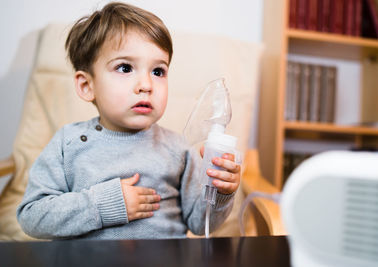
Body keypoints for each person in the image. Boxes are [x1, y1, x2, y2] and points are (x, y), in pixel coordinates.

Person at [17, 2, 241, 240]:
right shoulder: (68, 144)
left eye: (158, 71)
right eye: (125, 68)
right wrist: (103, 205)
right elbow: (32, 216)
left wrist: (219, 191)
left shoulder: (178, 149)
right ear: (87, 85)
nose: (146, 85)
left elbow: (200, 224)